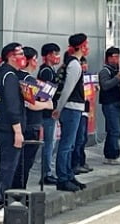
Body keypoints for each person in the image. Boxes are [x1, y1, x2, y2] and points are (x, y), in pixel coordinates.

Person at [52, 33, 89, 191]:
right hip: (71, 107)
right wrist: (59, 108)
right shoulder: (74, 64)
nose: (88, 47)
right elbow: (68, 89)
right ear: (81, 46)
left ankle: (68, 175)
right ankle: (63, 177)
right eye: (86, 44)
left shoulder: (74, 63)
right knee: (66, 145)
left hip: (74, 107)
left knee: (71, 144)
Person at [12, 46, 53, 189]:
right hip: (30, 125)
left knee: (15, 162)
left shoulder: (13, 76)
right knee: (24, 163)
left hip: (16, 124)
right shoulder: (28, 79)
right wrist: (47, 104)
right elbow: (32, 105)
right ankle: (18, 193)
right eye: (35, 60)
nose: (36, 63)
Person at [0, 43, 27, 212]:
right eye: (20, 53)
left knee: (5, 165)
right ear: (11, 56)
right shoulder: (10, 76)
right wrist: (18, 131)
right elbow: (12, 106)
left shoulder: (0, 73)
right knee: (8, 166)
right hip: (8, 128)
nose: (23, 57)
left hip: (0, 124)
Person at [99, 47, 120, 164]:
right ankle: (113, 155)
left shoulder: (116, 69)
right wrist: (118, 77)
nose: (118, 59)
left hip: (117, 102)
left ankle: (110, 154)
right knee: (114, 130)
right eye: (115, 56)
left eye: (118, 56)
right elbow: (105, 85)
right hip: (109, 103)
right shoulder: (105, 71)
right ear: (109, 57)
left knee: (113, 130)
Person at [37, 43, 61, 185]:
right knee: (49, 143)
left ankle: (47, 172)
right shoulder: (46, 71)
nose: (57, 57)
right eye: (55, 54)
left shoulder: (50, 70)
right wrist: (51, 109)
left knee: (50, 142)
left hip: (50, 110)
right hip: (47, 112)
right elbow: (44, 95)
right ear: (48, 55)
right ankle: (46, 173)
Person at [71, 56, 93, 173]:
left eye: (85, 64)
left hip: (85, 111)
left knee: (83, 138)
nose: (84, 66)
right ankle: (75, 164)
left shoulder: (88, 77)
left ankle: (81, 161)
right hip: (77, 109)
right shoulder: (75, 76)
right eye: (81, 63)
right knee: (78, 139)